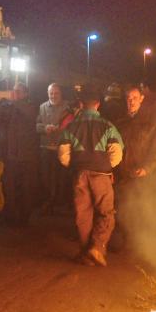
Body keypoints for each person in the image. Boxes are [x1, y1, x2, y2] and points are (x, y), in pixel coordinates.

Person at [58, 88, 124, 266]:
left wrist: (76, 165)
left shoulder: (70, 127)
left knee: (83, 215)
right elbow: (116, 155)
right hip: (101, 176)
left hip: (79, 175)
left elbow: (63, 156)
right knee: (106, 213)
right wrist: (105, 165)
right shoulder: (108, 126)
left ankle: (85, 253)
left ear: (81, 104)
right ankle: (97, 247)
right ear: (98, 104)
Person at [113, 84, 156, 250]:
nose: (131, 101)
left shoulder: (151, 123)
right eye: (128, 98)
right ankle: (126, 241)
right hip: (122, 173)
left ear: (142, 99)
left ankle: (141, 244)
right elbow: (113, 148)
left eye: (134, 98)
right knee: (122, 209)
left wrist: (147, 168)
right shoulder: (120, 122)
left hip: (141, 175)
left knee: (140, 209)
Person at [0, 83, 39, 225]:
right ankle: (11, 215)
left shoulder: (31, 106)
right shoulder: (8, 108)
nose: (16, 94)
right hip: (10, 154)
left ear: (26, 94)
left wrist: (15, 101)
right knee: (9, 186)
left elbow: (30, 115)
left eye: (19, 92)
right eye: (14, 91)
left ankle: (24, 217)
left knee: (26, 187)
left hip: (27, 154)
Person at [36, 83, 68, 213]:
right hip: (46, 148)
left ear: (61, 94)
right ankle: (48, 202)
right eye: (51, 93)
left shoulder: (67, 107)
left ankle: (61, 202)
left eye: (56, 93)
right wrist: (45, 128)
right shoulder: (42, 107)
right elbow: (36, 126)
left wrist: (60, 129)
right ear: (48, 94)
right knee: (46, 177)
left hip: (62, 149)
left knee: (61, 177)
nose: (53, 96)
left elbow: (72, 125)